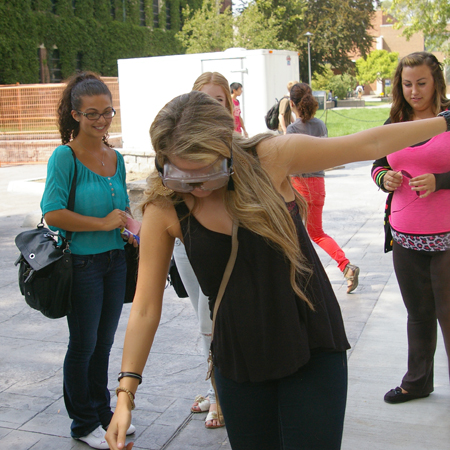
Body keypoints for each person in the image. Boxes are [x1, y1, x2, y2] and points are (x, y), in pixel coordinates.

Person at [105, 89, 448, 450]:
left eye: (207, 171)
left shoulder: (269, 157)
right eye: (180, 174)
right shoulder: (165, 206)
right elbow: (144, 307)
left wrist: (446, 121)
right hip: (239, 355)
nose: (197, 186)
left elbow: (368, 143)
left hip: (310, 338)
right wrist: (126, 394)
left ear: (228, 149)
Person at [40, 72, 137, 449]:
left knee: (104, 343)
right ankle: (82, 423)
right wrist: (100, 223)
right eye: (92, 113)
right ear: (76, 114)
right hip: (81, 265)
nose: (101, 120)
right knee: (82, 345)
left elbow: (122, 207)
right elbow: (52, 212)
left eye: (108, 112)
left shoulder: (116, 158)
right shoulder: (65, 157)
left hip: (115, 261)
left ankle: (102, 413)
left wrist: (129, 227)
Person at [371, 51, 450, 404]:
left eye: (421, 83)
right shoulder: (394, 125)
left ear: (436, 82)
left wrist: (441, 180)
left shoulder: (448, 119)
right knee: (418, 314)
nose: (414, 91)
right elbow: (377, 163)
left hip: (447, 238)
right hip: (405, 237)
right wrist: (383, 177)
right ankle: (417, 383)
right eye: (407, 84)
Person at [173, 71, 234, 429]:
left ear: (229, 105)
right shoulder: (176, 144)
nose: (211, 106)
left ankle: (220, 396)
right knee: (204, 325)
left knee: (210, 319)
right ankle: (213, 387)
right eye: (203, 99)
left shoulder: (238, 148)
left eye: (219, 100)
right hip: (186, 247)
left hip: (220, 249)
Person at [288, 82, 360, 293]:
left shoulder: (292, 130)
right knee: (317, 233)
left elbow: (288, 161)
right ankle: (346, 266)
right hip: (318, 184)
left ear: (292, 104)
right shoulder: (320, 126)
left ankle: (297, 279)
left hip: (298, 185)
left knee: (292, 233)